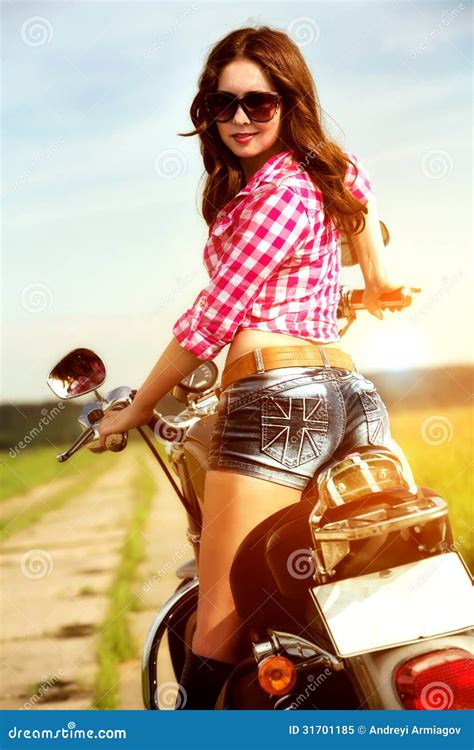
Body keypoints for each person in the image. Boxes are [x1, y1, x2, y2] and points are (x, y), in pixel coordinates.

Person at [98, 26, 415, 709]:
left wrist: (138, 406)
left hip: (278, 404)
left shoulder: (274, 195)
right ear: (207, 110)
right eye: (224, 104)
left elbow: (212, 320)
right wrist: (376, 284)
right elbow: (362, 218)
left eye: (259, 103)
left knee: (218, 627)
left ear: (287, 101)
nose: (240, 118)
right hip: (353, 399)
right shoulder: (329, 172)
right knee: (347, 611)